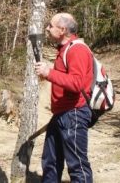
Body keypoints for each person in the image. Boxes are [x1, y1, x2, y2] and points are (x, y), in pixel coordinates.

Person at [35, 13, 94, 183]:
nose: (47, 28)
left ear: (62, 30)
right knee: (50, 162)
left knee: (77, 167)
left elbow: (77, 84)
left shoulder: (77, 49)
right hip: (62, 114)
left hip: (74, 113)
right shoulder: (64, 49)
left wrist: (49, 73)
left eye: (50, 26)